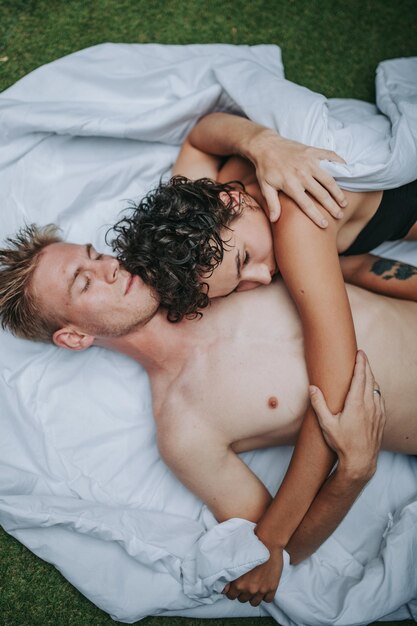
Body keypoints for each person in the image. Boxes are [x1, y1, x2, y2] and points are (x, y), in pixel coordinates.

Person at [1, 225, 417, 608]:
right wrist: (352, 475)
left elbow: (353, 268)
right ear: (75, 337)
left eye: (95, 255)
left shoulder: (210, 273)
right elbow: (282, 549)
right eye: (84, 281)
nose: (109, 267)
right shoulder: (184, 429)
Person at [109, 113, 417, 601]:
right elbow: (203, 136)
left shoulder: (288, 221)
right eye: (240, 282)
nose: (259, 277)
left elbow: (334, 384)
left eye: (245, 262)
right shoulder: (204, 219)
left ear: (232, 200)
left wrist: (269, 541)